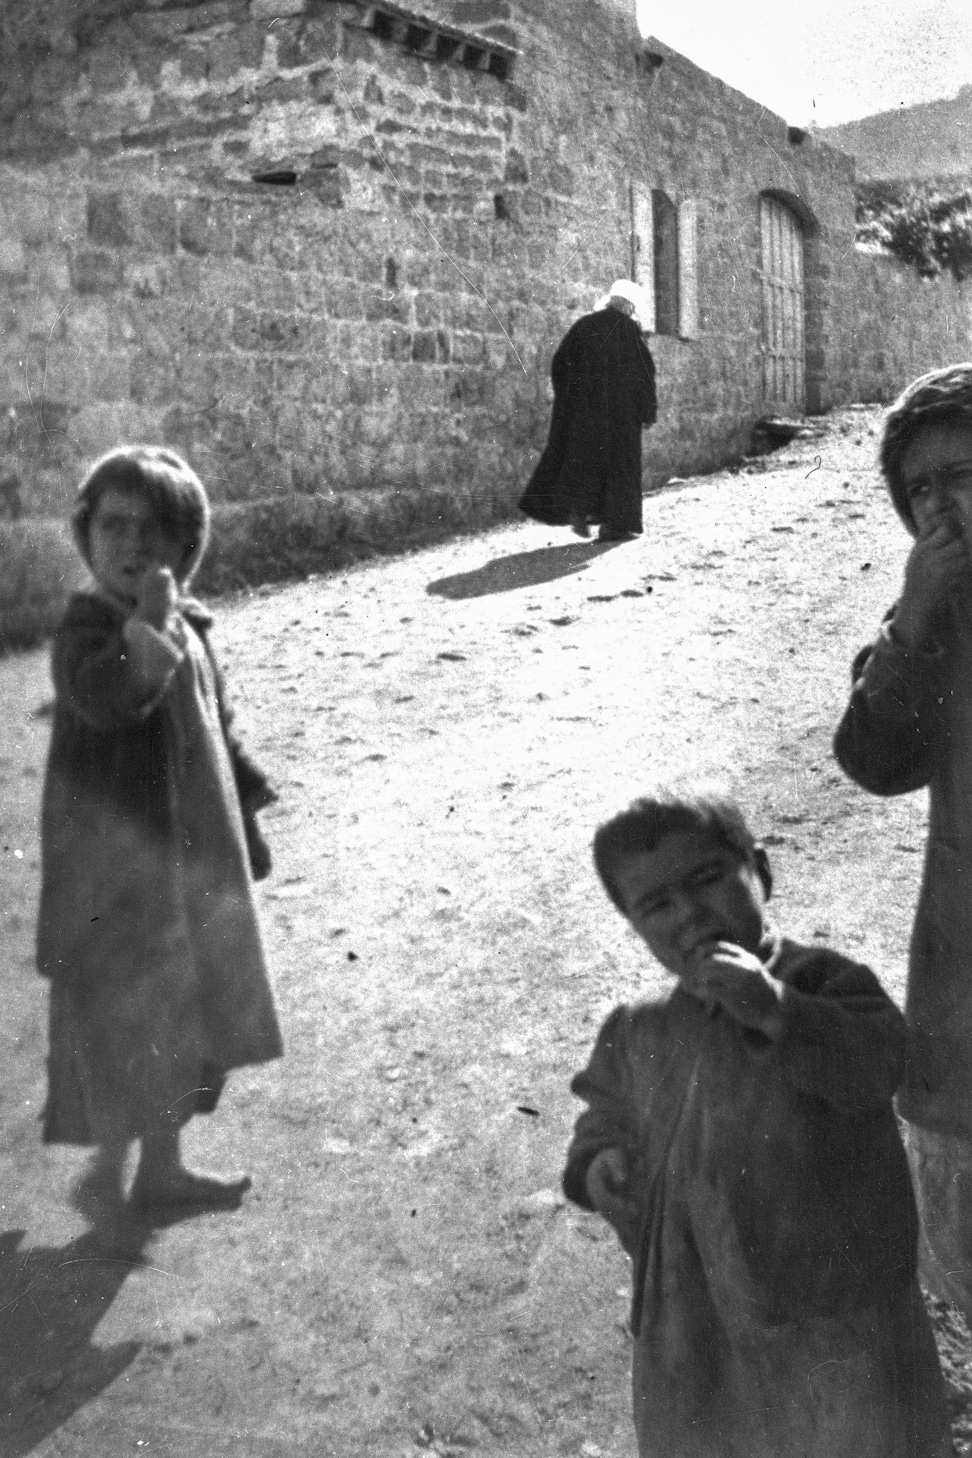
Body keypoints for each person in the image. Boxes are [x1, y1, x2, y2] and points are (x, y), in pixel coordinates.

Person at [562, 790, 950, 1458]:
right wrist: (598, 1164)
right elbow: (602, 1114)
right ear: (634, 924)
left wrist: (776, 1011)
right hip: (695, 1322)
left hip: (836, 1318)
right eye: (656, 905)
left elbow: (882, 1062)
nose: (689, 915)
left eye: (707, 880)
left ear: (759, 871)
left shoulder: (824, 983)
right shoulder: (637, 1028)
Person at [37, 445, 283, 1242]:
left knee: (187, 1019)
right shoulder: (85, 634)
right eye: (113, 526)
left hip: (190, 858)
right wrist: (145, 624)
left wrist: (246, 803)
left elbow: (217, 727)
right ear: (86, 535)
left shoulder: (192, 627)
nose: (133, 547)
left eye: (155, 532)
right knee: (125, 1027)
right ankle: (106, 1179)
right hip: (117, 876)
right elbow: (110, 700)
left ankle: (162, 1168)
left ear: (186, 548)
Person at [834, 362, 972, 1320]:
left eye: (962, 473)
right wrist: (917, 621)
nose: (940, 505)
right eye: (917, 488)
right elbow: (878, 763)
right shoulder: (935, 619)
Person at [519, 279, 657, 542]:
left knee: (585, 463)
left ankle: (579, 511)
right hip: (620, 417)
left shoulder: (585, 325)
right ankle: (614, 526)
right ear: (628, 306)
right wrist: (647, 412)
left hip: (584, 415)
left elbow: (560, 362)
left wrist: (569, 399)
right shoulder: (630, 332)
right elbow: (645, 375)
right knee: (619, 469)